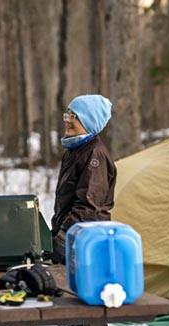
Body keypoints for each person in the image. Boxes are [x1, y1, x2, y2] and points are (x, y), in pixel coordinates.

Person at [50, 94, 117, 264]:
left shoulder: (95, 154)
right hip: (72, 240)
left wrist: (62, 239)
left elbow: (88, 206)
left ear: (90, 121)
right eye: (67, 114)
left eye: (74, 116)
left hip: (85, 243)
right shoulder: (74, 150)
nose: (67, 120)